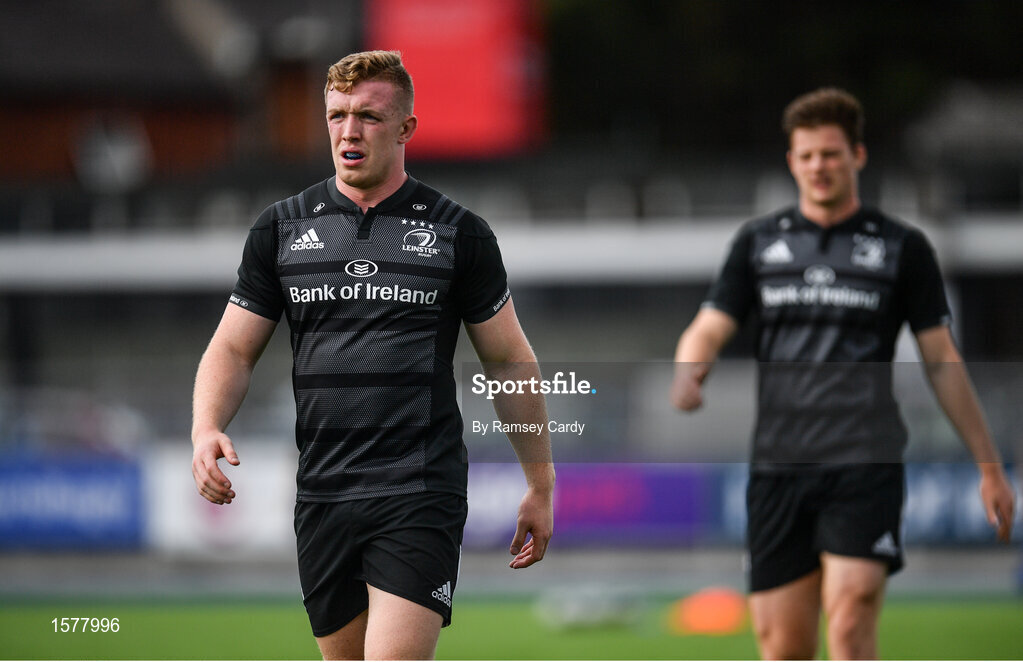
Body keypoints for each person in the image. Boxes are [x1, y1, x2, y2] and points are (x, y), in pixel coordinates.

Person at [190, 50, 554, 661]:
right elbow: (232, 346)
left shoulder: (459, 233)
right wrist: (205, 427)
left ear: (407, 128)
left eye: (369, 116)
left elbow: (509, 362)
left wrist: (540, 483)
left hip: (419, 489)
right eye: (336, 115)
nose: (349, 131)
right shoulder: (280, 229)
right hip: (323, 493)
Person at [670, 87, 1015, 659]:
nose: (818, 167)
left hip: (864, 462)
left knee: (851, 617)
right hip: (779, 468)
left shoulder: (904, 248)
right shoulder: (757, 243)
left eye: (830, 154)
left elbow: (942, 359)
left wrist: (989, 465)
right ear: (791, 162)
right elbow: (708, 326)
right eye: (806, 156)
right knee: (783, 646)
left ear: (857, 156)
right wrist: (689, 371)